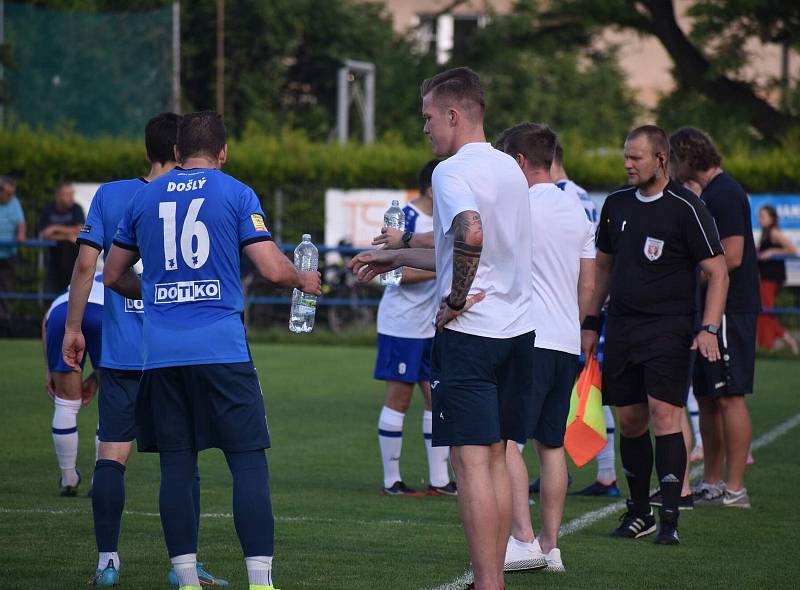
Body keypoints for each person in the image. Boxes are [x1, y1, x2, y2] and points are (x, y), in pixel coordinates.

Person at [103, 111, 320, 590]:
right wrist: (304, 277)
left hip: (161, 355)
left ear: (176, 154)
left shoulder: (144, 197)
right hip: (221, 350)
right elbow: (272, 269)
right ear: (222, 153)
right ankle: (260, 583)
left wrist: (154, 293)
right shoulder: (236, 193)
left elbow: (113, 274)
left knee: (177, 464)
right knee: (247, 461)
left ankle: (185, 577)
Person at [349, 67, 534, 590]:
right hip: (518, 332)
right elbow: (464, 240)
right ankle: (493, 577)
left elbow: (470, 232)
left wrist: (453, 299)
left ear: (453, 115)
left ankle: (487, 582)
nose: (424, 128)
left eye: (428, 117)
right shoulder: (510, 168)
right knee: (496, 459)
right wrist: (397, 256)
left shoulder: (451, 172)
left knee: (471, 465)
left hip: (472, 334)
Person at [62, 113, 227, 587]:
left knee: (112, 455)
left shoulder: (112, 195)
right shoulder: (201, 194)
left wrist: (75, 328)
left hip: (120, 355)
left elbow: (85, 269)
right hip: (179, 353)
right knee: (183, 460)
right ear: (181, 151)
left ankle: (107, 563)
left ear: (146, 149)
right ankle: (186, 569)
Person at [584, 125, 728, 545]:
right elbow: (604, 269)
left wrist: (710, 328)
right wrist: (591, 324)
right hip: (623, 327)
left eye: (636, 157)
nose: (628, 164)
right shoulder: (615, 205)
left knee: (665, 415)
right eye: (626, 156)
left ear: (660, 160)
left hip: (670, 327)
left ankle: (669, 518)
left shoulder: (687, 207)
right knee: (629, 421)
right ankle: (638, 512)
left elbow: (717, 272)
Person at [496, 123, 595, 573]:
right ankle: (552, 546)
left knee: (506, 443)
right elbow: (588, 282)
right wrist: (574, 326)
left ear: (518, 163)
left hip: (528, 338)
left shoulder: (519, 206)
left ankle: (522, 539)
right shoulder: (578, 208)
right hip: (565, 340)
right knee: (551, 446)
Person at [669, 127, 761, 508]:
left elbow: (733, 255)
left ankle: (735, 487)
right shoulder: (712, 193)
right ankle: (711, 481)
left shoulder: (724, 193)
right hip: (712, 309)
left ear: (688, 157)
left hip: (728, 309)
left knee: (729, 396)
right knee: (708, 396)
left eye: (673, 157)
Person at [374, 159, 456, 497]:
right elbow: (391, 274)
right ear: (431, 188)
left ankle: (439, 481)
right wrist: (443, 269)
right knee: (399, 398)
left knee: (438, 399)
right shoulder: (404, 219)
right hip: (402, 324)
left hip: (432, 325)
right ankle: (391, 480)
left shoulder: (444, 220)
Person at [551, 143, 620, 498]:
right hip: (581, 305)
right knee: (580, 390)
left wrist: (583, 316)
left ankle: (600, 474)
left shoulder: (563, 197)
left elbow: (585, 262)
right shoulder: (580, 196)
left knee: (576, 390)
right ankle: (583, 473)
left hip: (571, 306)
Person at [43, 272, 103, 496]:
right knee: (111, 404)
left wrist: (49, 368)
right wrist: (99, 377)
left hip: (61, 313)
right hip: (104, 312)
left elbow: (46, 320)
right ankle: (101, 479)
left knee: (65, 404)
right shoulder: (126, 276)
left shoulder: (76, 282)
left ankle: (68, 478)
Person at [755, 205, 798, 353]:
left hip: (771, 279)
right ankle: (768, 345)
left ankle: (786, 341)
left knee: (766, 312)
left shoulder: (774, 233)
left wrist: (772, 251)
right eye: (759, 216)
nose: (760, 219)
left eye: (763, 216)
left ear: (772, 219)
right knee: (763, 312)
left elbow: (793, 250)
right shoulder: (765, 233)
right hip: (764, 278)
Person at [39, 181, 85, 293]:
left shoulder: (76, 208)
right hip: (53, 260)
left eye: (71, 194)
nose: (70, 198)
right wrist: (68, 235)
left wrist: (55, 228)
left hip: (72, 261)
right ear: (58, 196)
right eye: (66, 194)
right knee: (52, 293)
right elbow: (46, 234)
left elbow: (80, 229)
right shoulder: (48, 209)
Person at [0, 176, 26, 327]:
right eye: (8, 193)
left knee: (7, 288)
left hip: (9, 254)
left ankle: (4, 321)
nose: (11, 197)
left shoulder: (14, 202)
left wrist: (21, 234)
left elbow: (21, 223)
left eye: (12, 193)